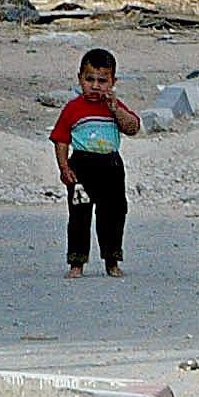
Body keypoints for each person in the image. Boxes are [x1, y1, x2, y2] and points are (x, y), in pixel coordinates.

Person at [49, 48, 141, 278]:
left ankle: (112, 260)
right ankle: (77, 262)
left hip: (111, 166)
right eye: (90, 79)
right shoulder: (73, 109)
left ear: (113, 81)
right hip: (81, 166)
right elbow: (61, 139)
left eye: (102, 80)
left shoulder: (114, 108)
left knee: (113, 213)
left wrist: (116, 109)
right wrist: (64, 168)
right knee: (79, 215)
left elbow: (133, 128)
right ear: (80, 78)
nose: (95, 86)